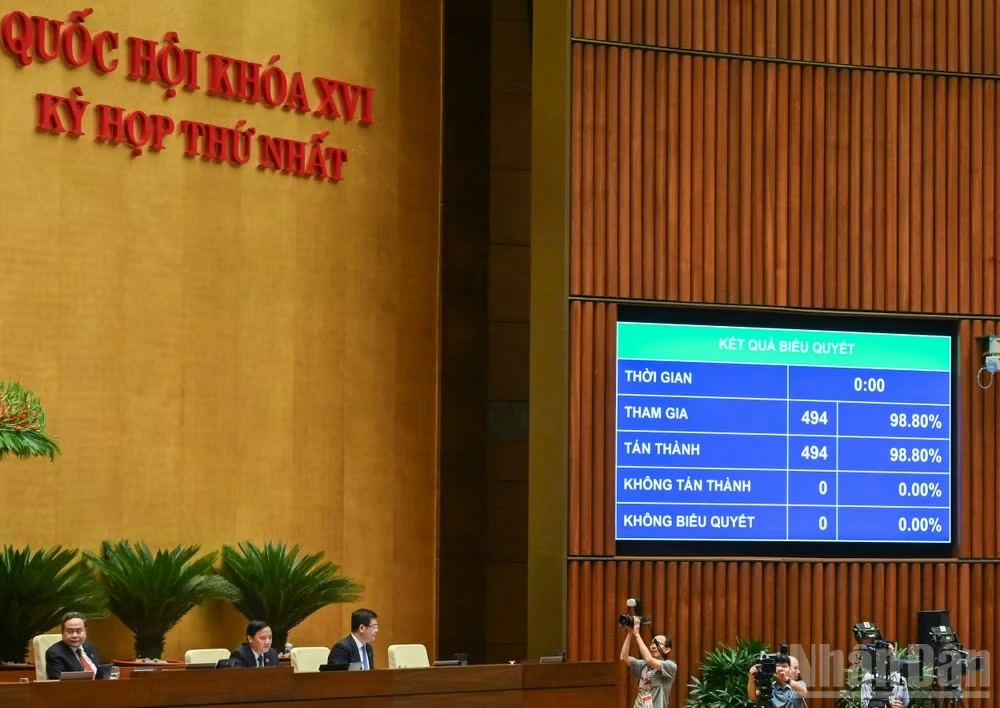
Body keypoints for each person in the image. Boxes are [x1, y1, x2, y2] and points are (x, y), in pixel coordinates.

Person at [619, 615, 677, 708]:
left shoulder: (670, 666)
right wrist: (630, 632)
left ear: (667, 649)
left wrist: (637, 634)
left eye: (658, 643)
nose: (653, 646)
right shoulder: (643, 665)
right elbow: (623, 657)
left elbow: (649, 659)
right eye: (652, 643)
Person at [45, 612, 102, 680]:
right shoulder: (55, 653)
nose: (75, 636)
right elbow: (57, 682)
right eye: (70, 631)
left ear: (85, 632)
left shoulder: (91, 647)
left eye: (79, 631)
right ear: (62, 632)